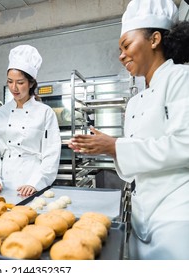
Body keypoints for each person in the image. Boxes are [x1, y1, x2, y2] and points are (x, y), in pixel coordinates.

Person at [68, 0, 189, 259]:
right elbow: (135, 165)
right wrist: (108, 149)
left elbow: (185, 145)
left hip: (176, 215)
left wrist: (115, 146)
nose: (121, 55)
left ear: (155, 39)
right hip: (140, 216)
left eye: (126, 45)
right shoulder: (135, 102)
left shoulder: (182, 78)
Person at [0, 45, 61, 197]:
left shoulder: (45, 113)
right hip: (4, 183)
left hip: (33, 181)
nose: (14, 88)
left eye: (20, 82)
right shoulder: (1, 113)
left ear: (31, 83)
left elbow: (51, 152)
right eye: (10, 81)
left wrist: (35, 183)